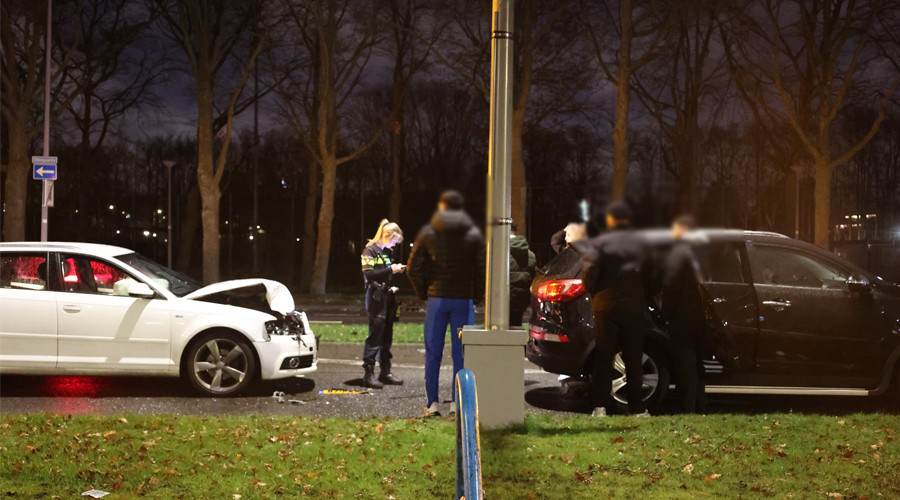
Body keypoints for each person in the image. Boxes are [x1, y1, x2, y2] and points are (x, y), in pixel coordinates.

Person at [407, 191, 485, 417]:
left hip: (437, 299)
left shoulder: (428, 233)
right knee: (461, 353)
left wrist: (424, 292)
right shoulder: (473, 235)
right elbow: (481, 269)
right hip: (463, 300)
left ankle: (432, 404)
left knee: (433, 352)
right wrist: (476, 296)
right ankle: (457, 404)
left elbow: (413, 268)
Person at [582, 201, 652, 417]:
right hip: (633, 307)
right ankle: (637, 408)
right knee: (633, 358)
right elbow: (652, 274)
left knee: (604, 357)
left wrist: (594, 292)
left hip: (606, 306)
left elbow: (590, 271)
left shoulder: (601, 242)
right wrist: (643, 295)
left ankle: (600, 406)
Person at [662, 215, 708, 413]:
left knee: (686, 365)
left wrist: (666, 316)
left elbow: (671, 289)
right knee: (697, 366)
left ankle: (688, 408)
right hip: (697, 317)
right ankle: (700, 405)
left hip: (682, 318)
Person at [360, 219, 406, 389]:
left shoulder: (384, 252)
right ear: (387, 236)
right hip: (376, 298)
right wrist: (390, 269)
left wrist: (394, 269)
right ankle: (368, 374)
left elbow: (384, 273)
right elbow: (370, 274)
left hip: (387, 298)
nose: (394, 245)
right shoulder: (369, 251)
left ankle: (385, 372)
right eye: (394, 241)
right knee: (375, 335)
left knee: (387, 336)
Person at [509, 221, 537, 327]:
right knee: (516, 328)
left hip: (501, 300)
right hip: (520, 301)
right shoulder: (530, 255)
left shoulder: (499, 252)